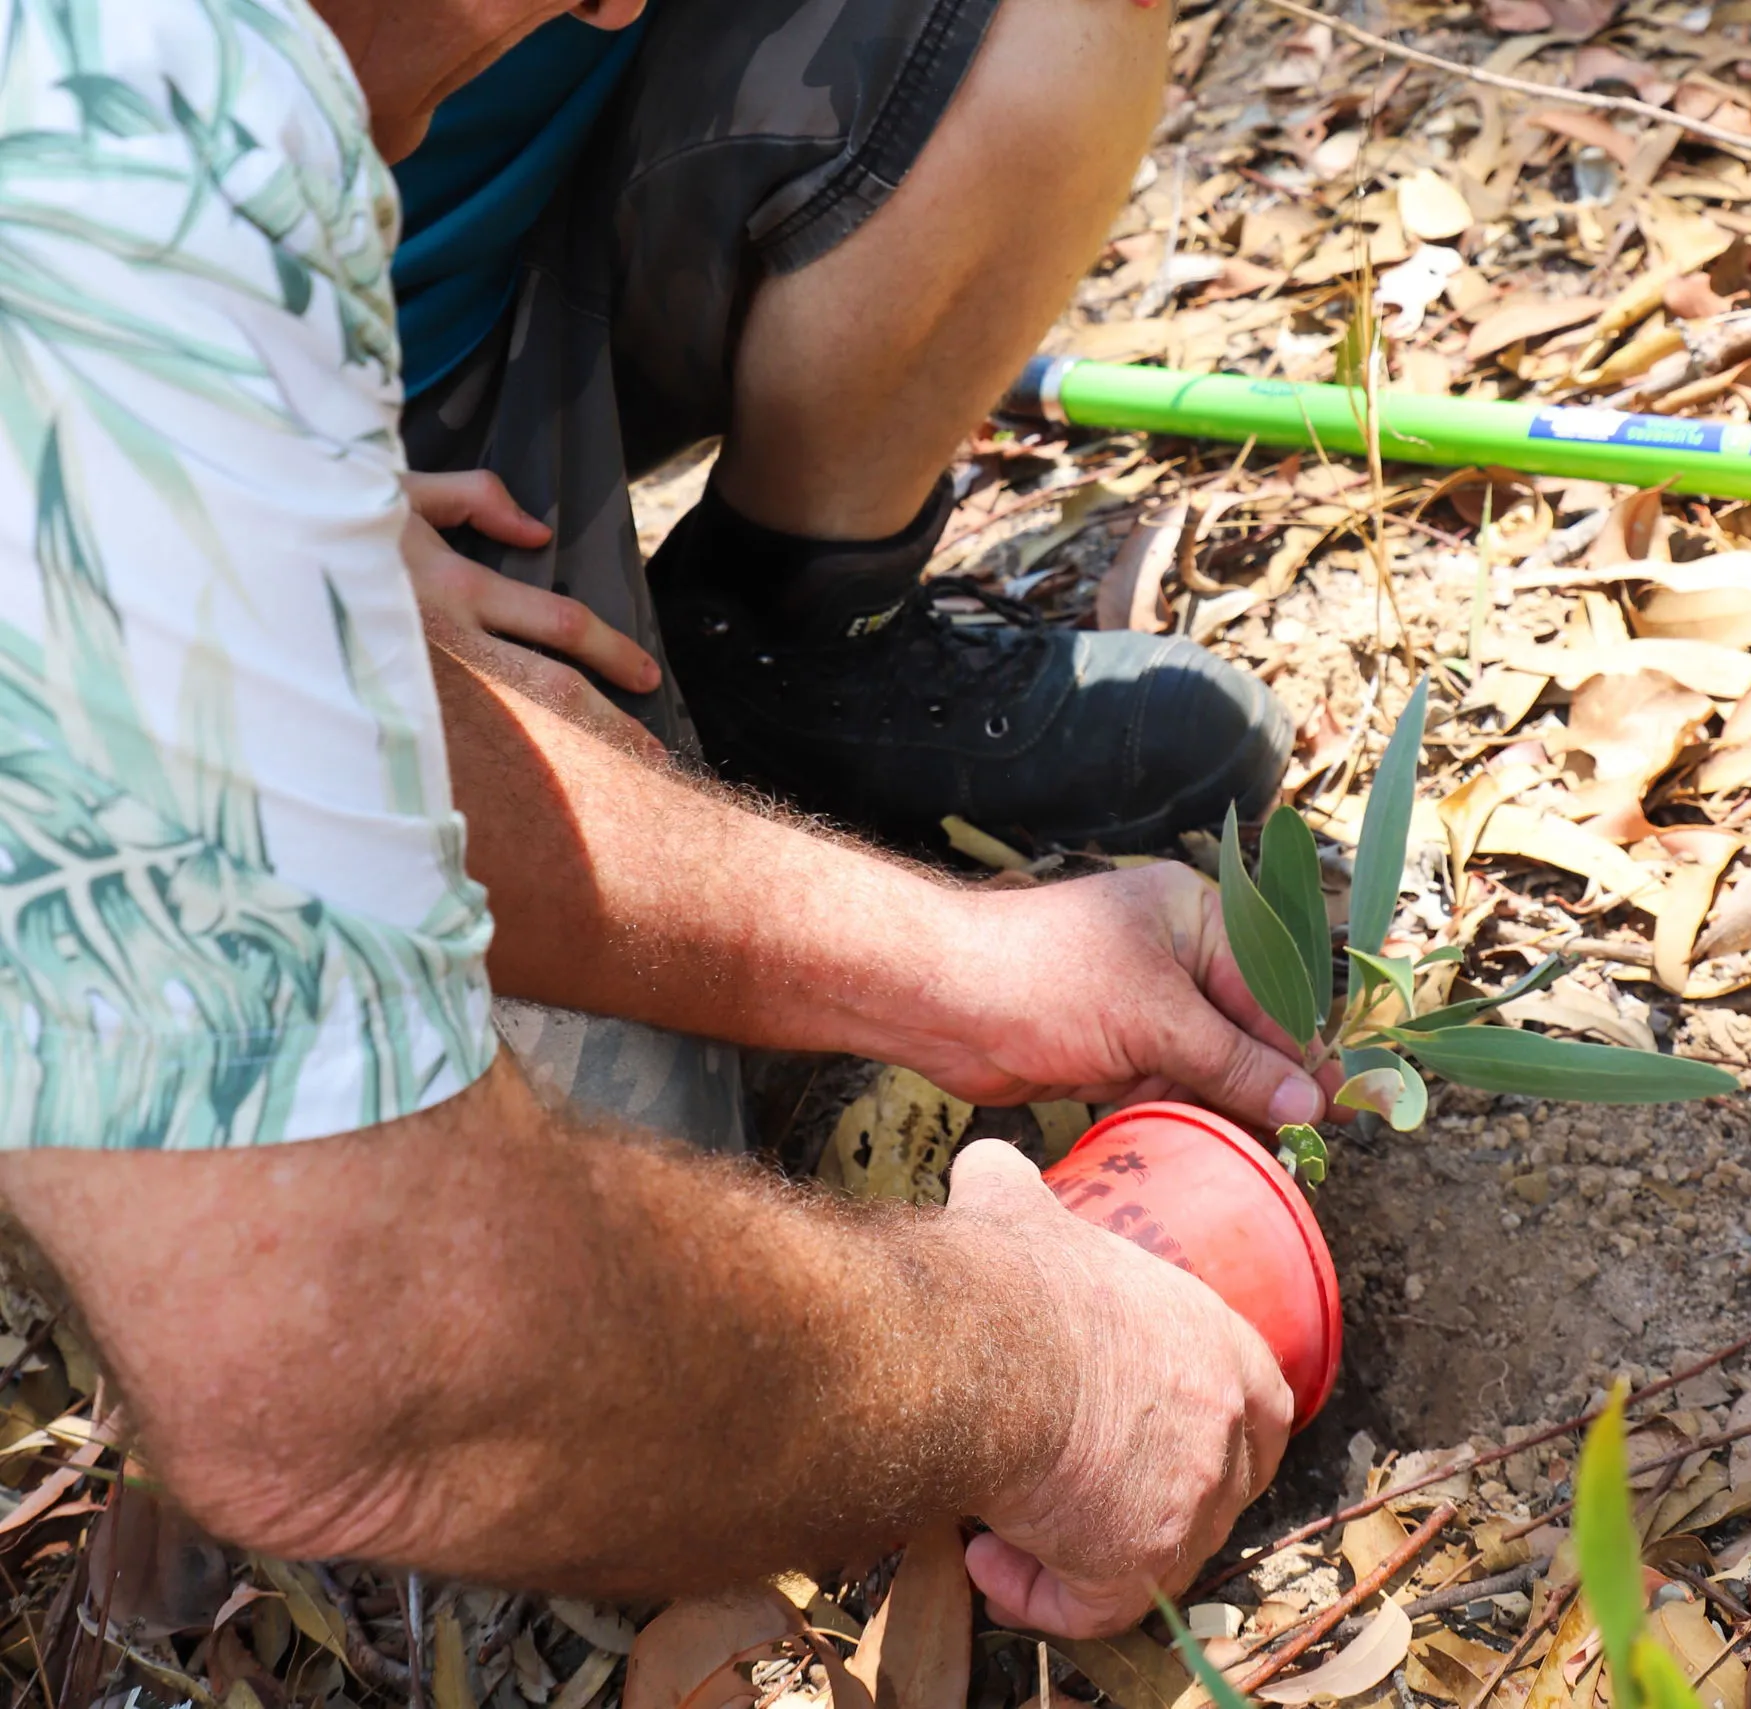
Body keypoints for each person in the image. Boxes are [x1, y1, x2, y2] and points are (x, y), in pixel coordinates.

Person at [0, 0, 1330, 1641]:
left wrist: (958, 964)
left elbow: (202, 715)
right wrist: (1043, 1373)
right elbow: (357, 1351)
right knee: (574, 1472)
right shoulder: (140, 123)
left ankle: (793, 659)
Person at [390, 0, 1294, 852]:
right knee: (586, 936)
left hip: (511, 218)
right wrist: (292, 513)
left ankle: (794, 648)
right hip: (326, 428)